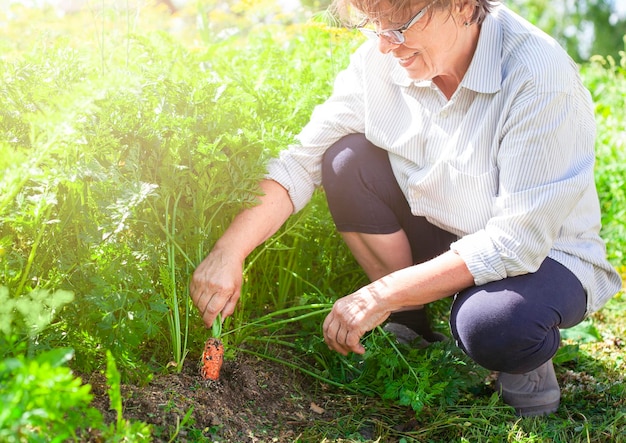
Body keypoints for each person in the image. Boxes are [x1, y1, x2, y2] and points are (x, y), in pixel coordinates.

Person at [190, 0, 622, 417]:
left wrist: (380, 293)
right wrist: (230, 250)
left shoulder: (537, 75)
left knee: (492, 323)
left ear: (462, 6)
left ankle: (523, 363)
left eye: (398, 26)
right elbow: (299, 162)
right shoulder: (384, 58)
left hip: (543, 258)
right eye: (373, 25)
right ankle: (410, 326)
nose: (383, 44)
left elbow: (516, 242)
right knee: (345, 160)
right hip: (448, 226)